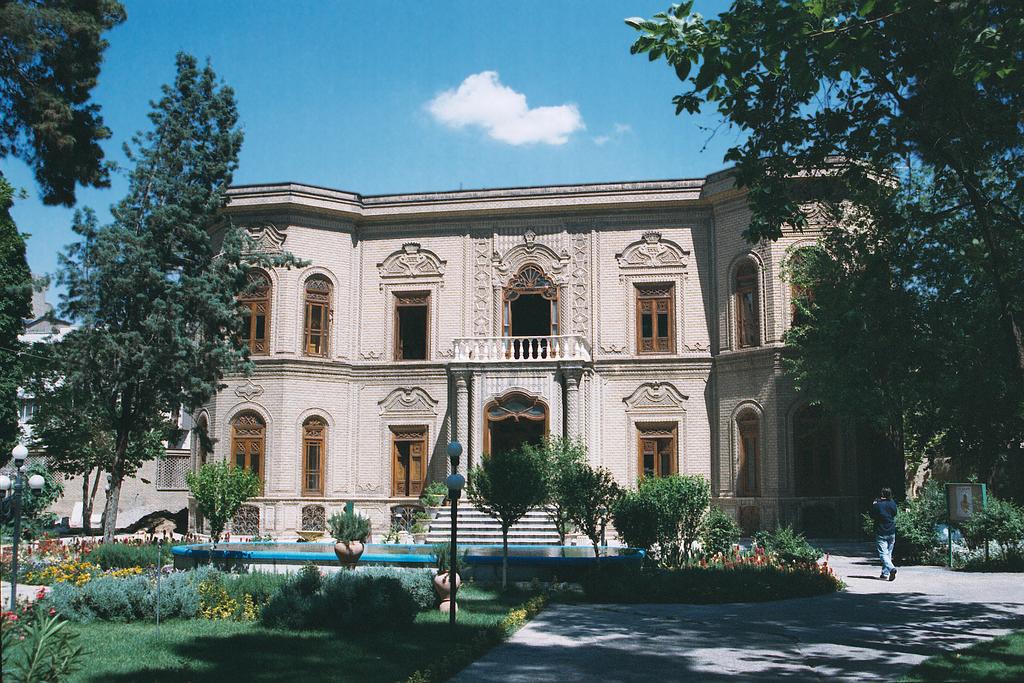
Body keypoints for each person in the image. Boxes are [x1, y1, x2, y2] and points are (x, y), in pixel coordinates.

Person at [869, 487, 899, 581]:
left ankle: (891, 569)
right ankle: (884, 573)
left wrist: (875, 504)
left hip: (881, 531)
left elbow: (871, 515)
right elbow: (894, 513)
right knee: (888, 553)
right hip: (891, 530)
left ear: (882, 494)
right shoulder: (892, 503)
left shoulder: (877, 505)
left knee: (883, 554)